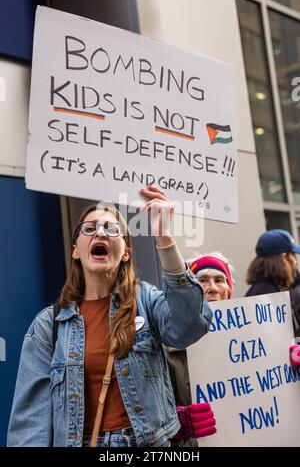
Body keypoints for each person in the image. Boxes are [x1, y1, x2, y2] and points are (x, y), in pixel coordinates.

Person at [7, 185, 212, 448]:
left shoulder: (146, 301)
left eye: (111, 229)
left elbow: (190, 326)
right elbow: (30, 422)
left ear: (125, 252)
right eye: (89, 229)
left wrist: (163, 237)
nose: (100, 232)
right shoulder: (49, 326)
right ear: (75, 251)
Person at [165, 252, 234, 445]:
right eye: (202, 280)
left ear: (229, 290)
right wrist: (178, 424)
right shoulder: (168, 349)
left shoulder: (257, 338)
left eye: (219, 280)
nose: (212, 288)